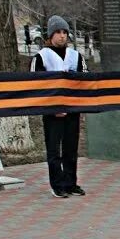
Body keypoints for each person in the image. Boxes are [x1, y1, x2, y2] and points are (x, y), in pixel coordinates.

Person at [32, 16, 88, 198]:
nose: (62, 36)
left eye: (65, 32)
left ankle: (71, 182)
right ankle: (57, 184)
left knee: (71, 148)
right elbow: (36, 85)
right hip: (52, 111)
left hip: (72, 108)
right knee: (54, 149)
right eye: (58, 32)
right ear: (50, 35)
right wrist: (52, 106)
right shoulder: (41, 56)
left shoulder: (75, 56)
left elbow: (84, 80)